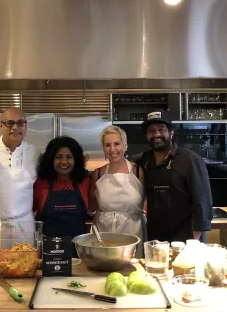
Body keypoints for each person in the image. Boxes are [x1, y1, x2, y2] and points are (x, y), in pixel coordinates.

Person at [139, 109, 213, 243]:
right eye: (151, 130)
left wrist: (192, 242)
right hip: (155, 240)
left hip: (186, 240)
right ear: (146, 135)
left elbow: (203, 203)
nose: (156, 134)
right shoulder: (145, 160)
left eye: (161, 129)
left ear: (171, 133)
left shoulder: (190, 160)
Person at [90, 126, 146, 258]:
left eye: (117, 144)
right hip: (103, 232)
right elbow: (92, 205)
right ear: (103, 149)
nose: (112, 149)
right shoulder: (98, 173)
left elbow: (147, 201)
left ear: (125, 146)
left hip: (132, 231)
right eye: (107, 145)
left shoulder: (138, 171)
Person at [33, 136, 90, 257]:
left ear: (76, 160)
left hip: (79, 252)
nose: (64, 162)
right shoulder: (40, 184)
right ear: (50, 159)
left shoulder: (85, 182)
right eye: (58, 157)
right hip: (49, 252)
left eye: (69, 157)